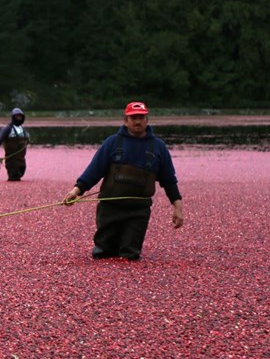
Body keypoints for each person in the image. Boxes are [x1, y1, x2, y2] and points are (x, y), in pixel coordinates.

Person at [63, 101, 184, 260]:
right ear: (125, 121)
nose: (137, 121)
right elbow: (94, 171)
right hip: (109, 208)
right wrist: (76, 191)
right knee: (102, 253)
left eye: (141, 117)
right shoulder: (112, 143)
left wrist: (177, 207)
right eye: (133, 117)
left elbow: (169, 180)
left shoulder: (158, 147)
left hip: (138, 211)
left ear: (147, 120)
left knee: (130, 254)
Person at [0, 107, 30, 181]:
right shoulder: (7, 128)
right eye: (17, 116)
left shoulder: (23, 129)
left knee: (20, 175)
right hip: (12, 160)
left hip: (21, 159)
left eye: (20, 116)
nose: (18, 118)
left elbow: (26, 141)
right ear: (13, 117)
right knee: (14, 177)